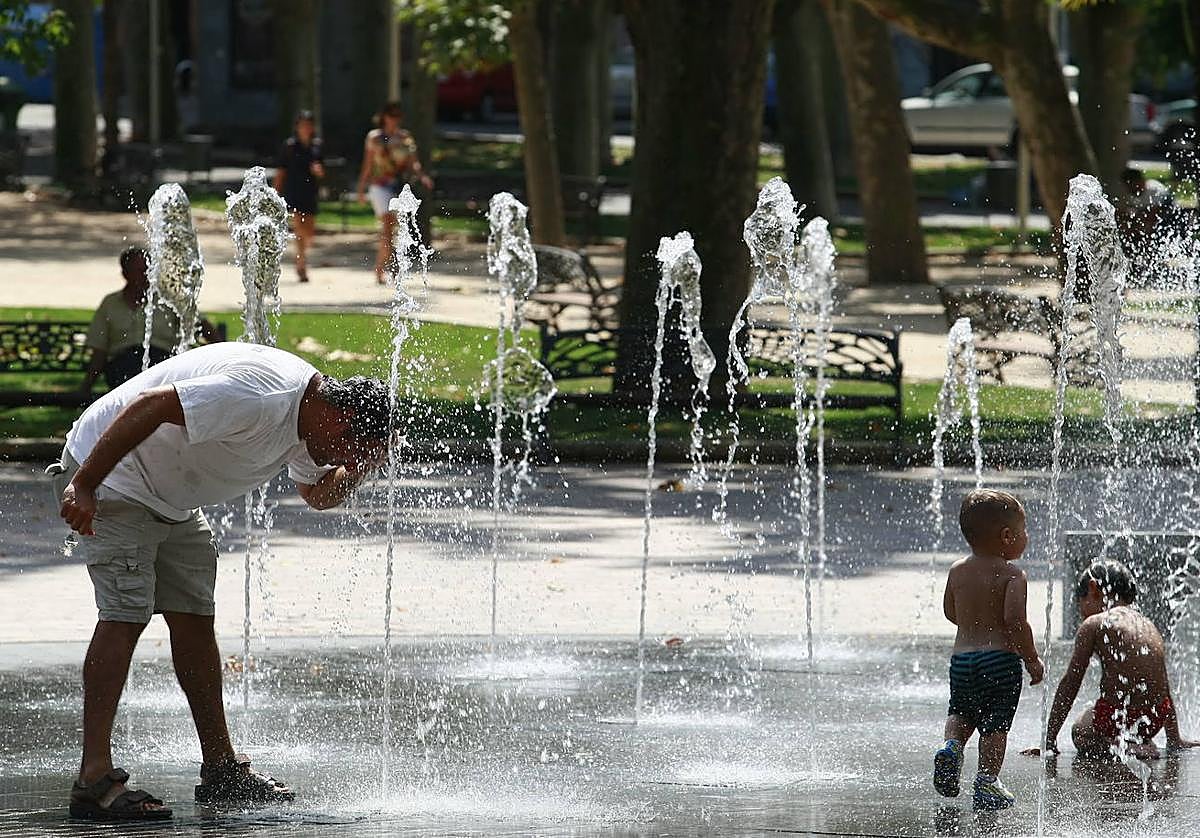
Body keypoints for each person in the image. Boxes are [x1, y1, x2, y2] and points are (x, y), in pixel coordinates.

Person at [52, 341, 393, 821]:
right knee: (125, 615)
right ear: (337, 422)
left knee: (194, 620)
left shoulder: (313, 418)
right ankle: (94, 779)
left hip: (170, 501)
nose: (342, 457)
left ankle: (221, 770)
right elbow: (149, 406)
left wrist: (355, 471)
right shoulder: (259, 397)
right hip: (114, 479)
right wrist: (84, 484)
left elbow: (317, 495)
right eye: (353, 450)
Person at [932, 489, 1044, 811]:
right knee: (996, 723)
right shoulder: (1013, 574)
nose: (1027, 536)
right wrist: (1032, 660)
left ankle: (952, 747)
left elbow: (950, 612)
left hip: (962, 659)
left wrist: (973, 619)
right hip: (999, 661)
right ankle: (986, 782)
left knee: (961, 710)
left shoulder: (957, 570)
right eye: (1024, 531)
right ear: (1007, 537)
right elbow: (1014, 621)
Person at [1023, 560, 1199, 761]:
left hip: (1117, 718)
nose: (1081, 611)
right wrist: (1174, 739)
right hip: (1155, 717)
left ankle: (1120, 745)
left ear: (1093, 588)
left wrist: (1049, 742)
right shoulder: (1147, 624)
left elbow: (1071, 683)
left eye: (1081, 601)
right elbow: (1164, 685)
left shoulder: (1093, 624)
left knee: (1079, 731)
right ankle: (1136, 741)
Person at [78, 247, 220, 396]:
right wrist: (86, 387)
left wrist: (223, 358)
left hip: (161, 362)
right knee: (129, 377)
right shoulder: (110, 303)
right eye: (139, 271)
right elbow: (99, 350)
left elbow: (203, 325)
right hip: (122, 365)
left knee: (156, 378)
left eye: (149, 270)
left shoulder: (170, 298)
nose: (146, 275)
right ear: (125, 274)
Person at [355, 102, 433, 284]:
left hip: (397, 186)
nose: (394, 119)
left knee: (396, 229)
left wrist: (422, 176)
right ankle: (384, 269)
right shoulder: (374, 138)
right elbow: (368, 165)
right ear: (384, 117)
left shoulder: (405, 138)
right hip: (379, 186)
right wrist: (361, 187)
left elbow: (414, 163)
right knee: (388, 225)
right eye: (391, 115)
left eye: (397, 116)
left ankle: (387, 267)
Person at [273, 110, 325, 283]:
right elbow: (281, 171)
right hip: (293, 190)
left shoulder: (317, 146)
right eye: (303, 124)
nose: (306, 128)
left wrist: (319, 173)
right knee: (299, 226)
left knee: (309, 231)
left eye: (308, 124)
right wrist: (275, 192)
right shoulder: (289, 146)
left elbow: (321, 169)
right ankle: (301, 263)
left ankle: (302, 255)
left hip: (310, 191)